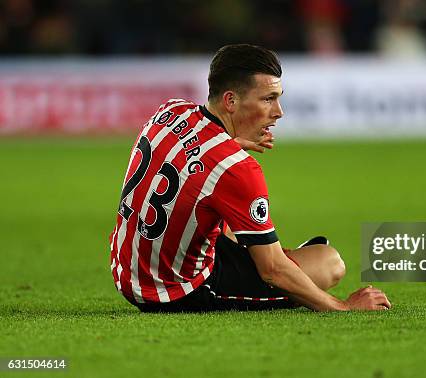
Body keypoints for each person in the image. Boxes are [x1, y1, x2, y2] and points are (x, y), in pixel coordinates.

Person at [109, 44, 391, 312]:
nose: (278, 112)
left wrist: (230, 143)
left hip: (129, 268)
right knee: (328, 263)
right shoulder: (235, 168)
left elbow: (189, 155)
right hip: (176, 289)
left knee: (219, 206)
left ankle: (262, 248)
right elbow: (272, 271)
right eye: (268, 99)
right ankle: (276, 255)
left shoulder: (170, 110)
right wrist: (344, 306)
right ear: (230, 100)